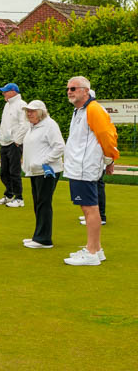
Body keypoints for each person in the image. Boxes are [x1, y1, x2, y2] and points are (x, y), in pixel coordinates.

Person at [63, 76, 118, 266]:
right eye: (68, 89)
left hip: (84, 168)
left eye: (74, 88)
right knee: (87, 208)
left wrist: (110, 158)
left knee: (90, 208)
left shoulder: (93, 109)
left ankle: (92, 252)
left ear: (85, 91)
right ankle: (96, 248)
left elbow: (107, 135)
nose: (69, 91)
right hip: (78, 167)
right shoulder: (80, 110)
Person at [20, 100, 65, 249]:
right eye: (27, 111)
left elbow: (59, 147)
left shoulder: (50, 125)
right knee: (38, 203)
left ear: (41, 112)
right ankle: (38, 235)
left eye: (32, 111)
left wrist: (44, 162)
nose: (29, 113)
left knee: (43, 203)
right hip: (35, 171)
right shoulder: (32, 127)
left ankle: (44, 239)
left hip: (47, 171)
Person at [0, 83, 29, 207]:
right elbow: (4, 124)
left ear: (13, 92)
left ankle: (19, 198)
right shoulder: (6, 105)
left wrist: (17, 141)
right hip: (5, 143)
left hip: (15, 144)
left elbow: (24, 125)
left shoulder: (22, 105)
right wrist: (0, 135)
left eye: (5, 91)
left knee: (14, 172)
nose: (3, 93)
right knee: (4, 172)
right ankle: (9, 195)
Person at [80, 89, 108, 226]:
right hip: (89, 159)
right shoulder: (84, 111)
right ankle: (93, 214)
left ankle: (100, 216)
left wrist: (109, 159)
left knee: (98, 186)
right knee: (93, 187)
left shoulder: (96, 110)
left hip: (96, 159)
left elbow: (104, 135)